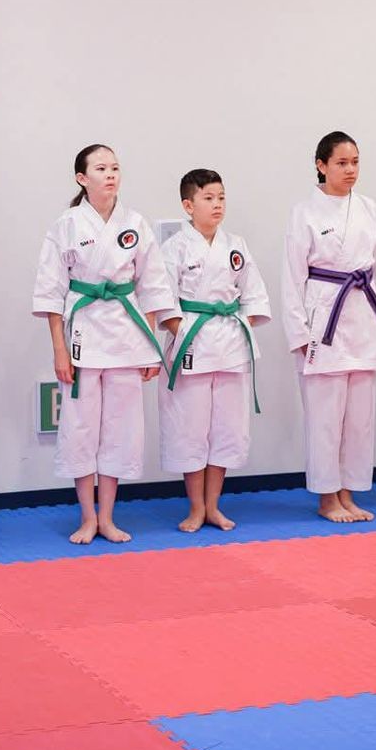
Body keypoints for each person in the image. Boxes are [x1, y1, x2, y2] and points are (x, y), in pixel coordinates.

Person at [33, 144, 174, 543]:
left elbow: (152, 287)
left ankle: (108, 517)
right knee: (79, 427)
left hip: (127, 336)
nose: (110, 174)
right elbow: (51, 292)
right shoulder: (66, 225)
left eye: (114, 167)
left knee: (120, 428)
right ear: (82, 178)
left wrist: (150, 348)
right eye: (100, 168)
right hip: (83, 334)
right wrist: (59, 350)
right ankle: (86, 517)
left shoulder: (135, 223)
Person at [284, 131, 376, 524]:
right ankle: (327, 497)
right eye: (341, 163)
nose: (350, 170)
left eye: (355, 162)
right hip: (324, 322)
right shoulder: (304, 212)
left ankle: (349, 493)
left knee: (359, 420)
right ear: (321, 165)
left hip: (364, 316)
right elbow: (292, 276)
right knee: (325, 419)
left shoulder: (370, 208)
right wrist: (300, 332)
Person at [159, 169, 270, 533]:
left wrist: (238, 327)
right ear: (188, 205)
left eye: (221, 197)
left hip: (230, 344)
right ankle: (195, 508)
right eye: (208, 198)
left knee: (226, 428)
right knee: (190, 428)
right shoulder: (174, 248)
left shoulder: (236, 244)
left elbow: (254, 294)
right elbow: (163, 300)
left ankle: (213, 507)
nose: (217, 204)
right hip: (191, 342)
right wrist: (183, 332)